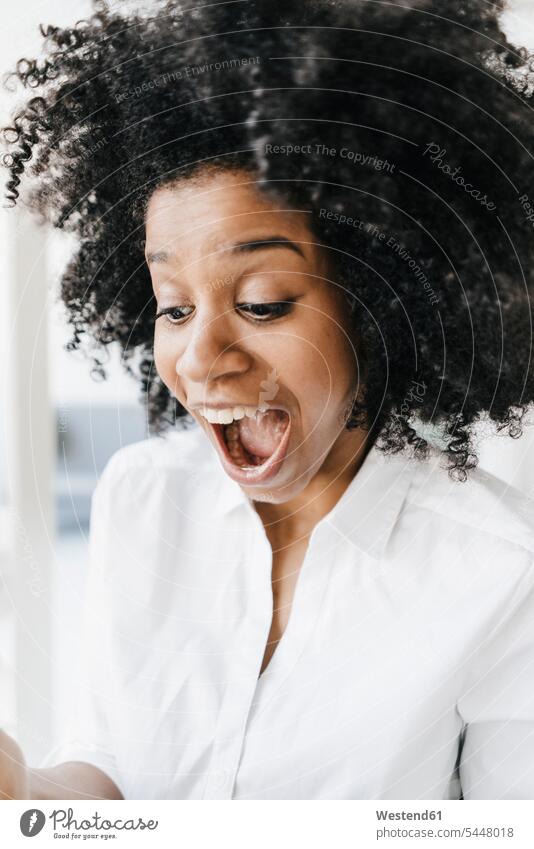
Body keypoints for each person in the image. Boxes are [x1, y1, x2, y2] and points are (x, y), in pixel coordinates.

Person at [1, 0, 534, 800]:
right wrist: (25, 791)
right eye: (174, 307)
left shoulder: (501, 572)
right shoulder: (142, 497)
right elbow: (115, 774)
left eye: (262, 302)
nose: (202, 358)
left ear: (383, 302)